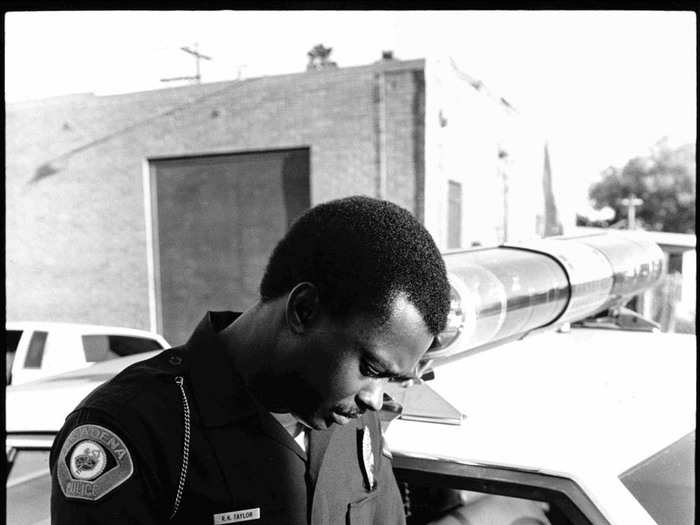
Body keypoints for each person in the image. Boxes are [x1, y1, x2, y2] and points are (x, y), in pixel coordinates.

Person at [50, 195, 451, 524]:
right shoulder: (135, 430)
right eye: (371, 369)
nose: (375, 399)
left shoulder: (354, 420)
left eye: (391, 381)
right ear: (305, 310)